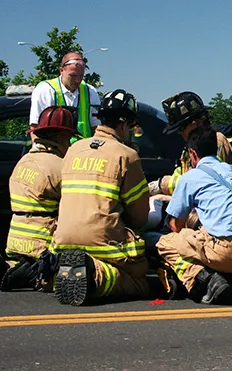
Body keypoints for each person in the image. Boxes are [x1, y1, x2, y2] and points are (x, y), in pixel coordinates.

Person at [156, 126, 232, 304]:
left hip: (225, 253)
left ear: (192, 153)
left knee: (166, 242)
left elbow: (176, 226)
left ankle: (209, 279)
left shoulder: (191, 177)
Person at [52, 89, 150, 306]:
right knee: (141, 280)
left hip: (63, 243)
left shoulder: (73, 150)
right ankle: (94, 275)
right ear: (123, 124)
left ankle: (66, 270)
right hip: (103, 245)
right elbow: (139, 216)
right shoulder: (127, 155)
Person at [0, 106, 79, 291]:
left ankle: (5, 267)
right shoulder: (60, 167)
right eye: (68, 138)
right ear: (59, 137)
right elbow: (76, 209)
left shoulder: (23, 162)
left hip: (15, 240)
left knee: (17, 264)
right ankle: (28, 274)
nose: (69, 144)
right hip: (41, 243)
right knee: (54, 276)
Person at [29, 52, 100, 140]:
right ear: (62, 70)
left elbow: (96, 127)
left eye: (81, 75)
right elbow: (35, 126)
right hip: (55, 147)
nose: (77, 80)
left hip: (84, 148)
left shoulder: (90, 91)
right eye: (73, 75)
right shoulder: (45, 90)